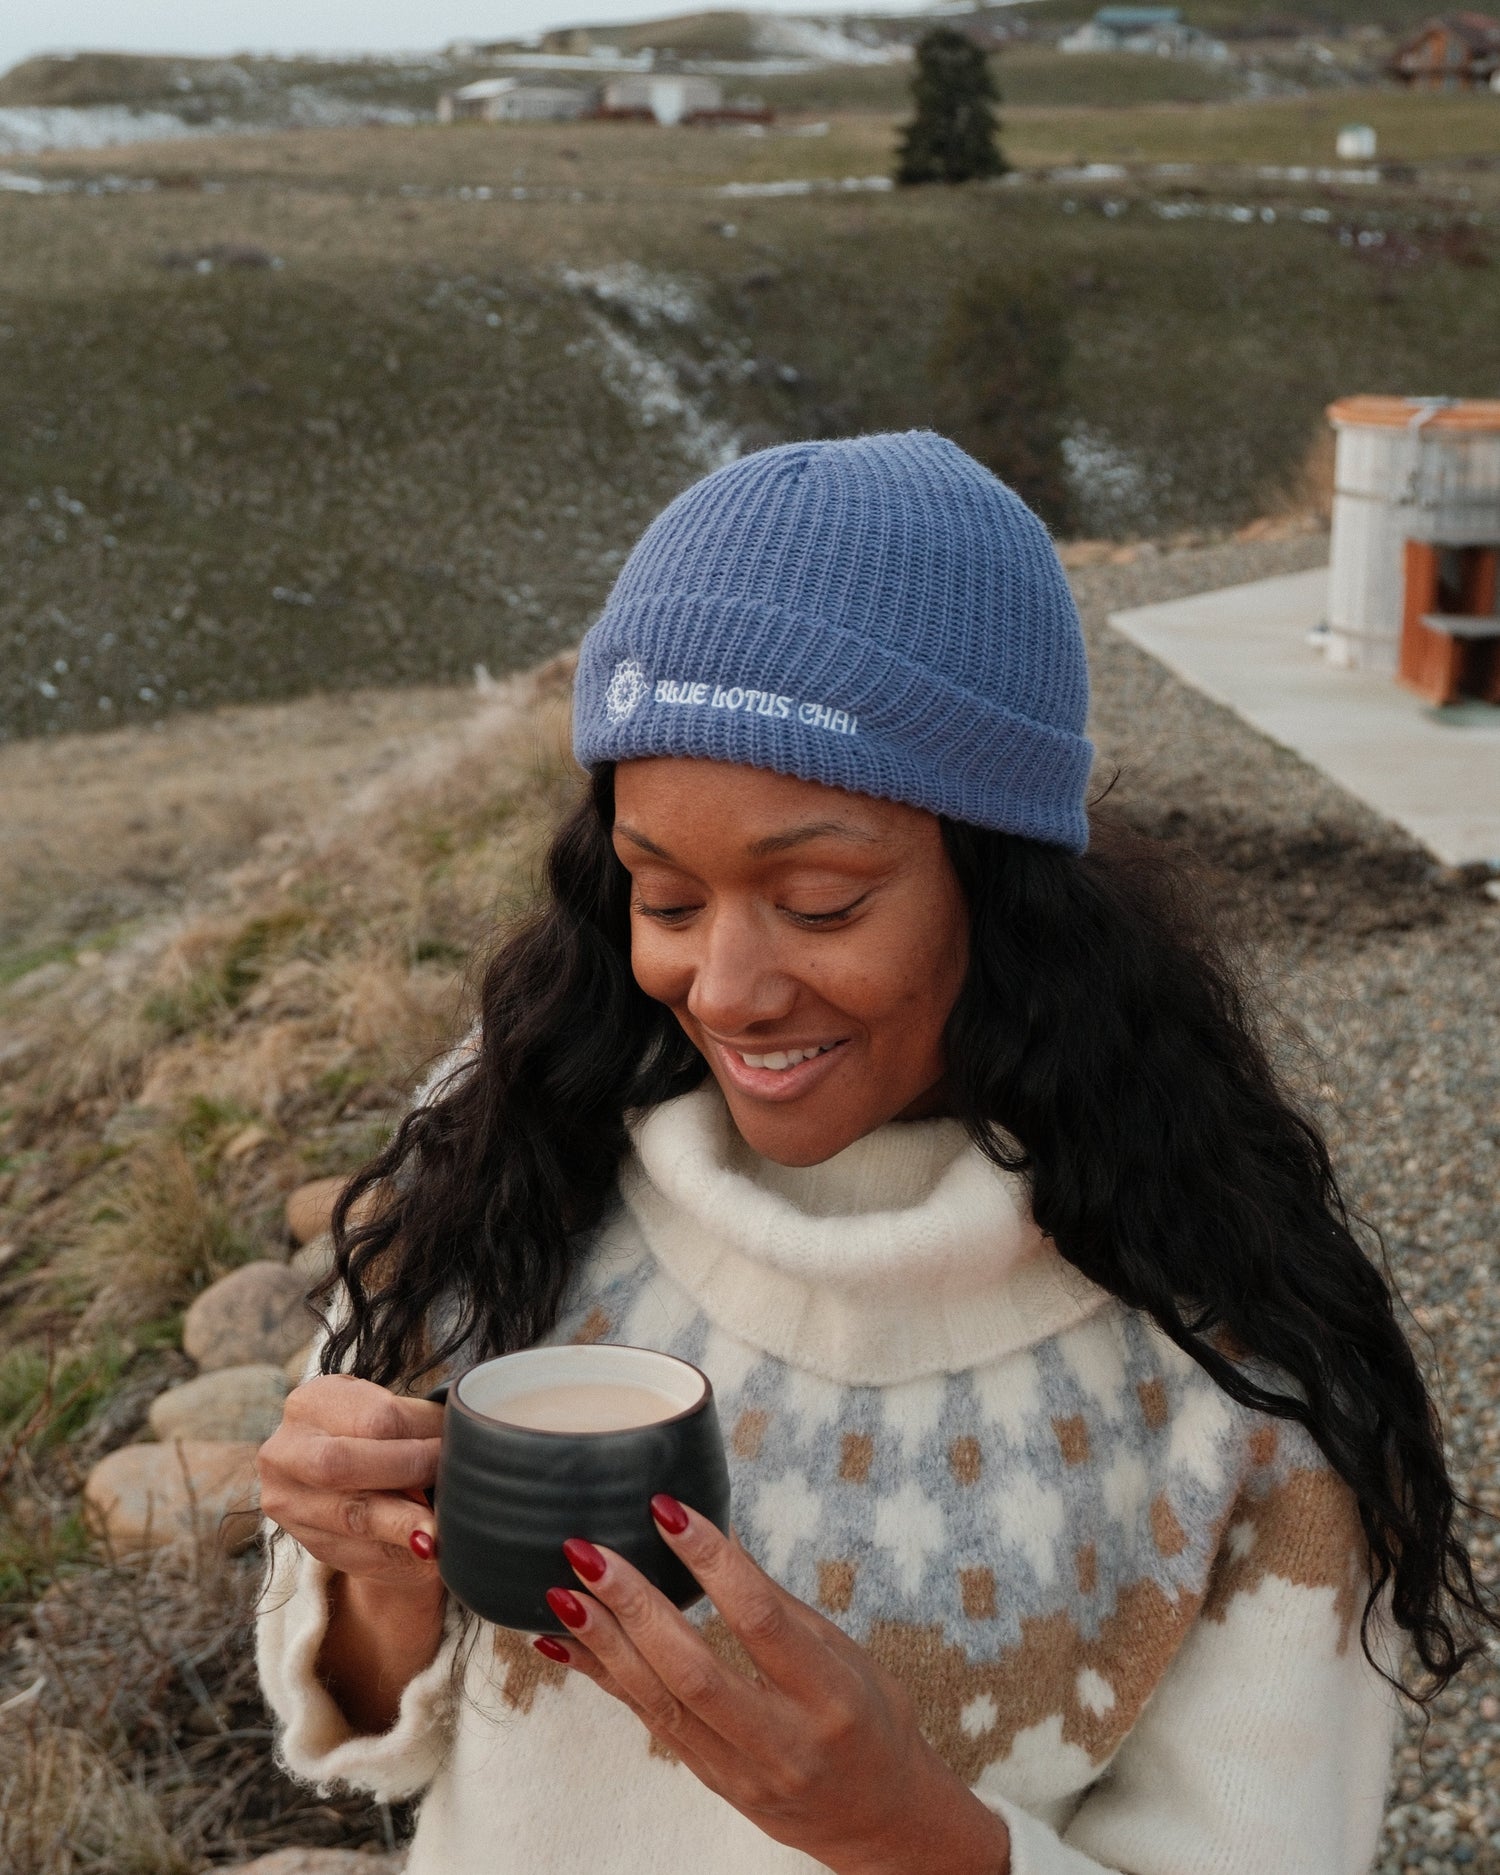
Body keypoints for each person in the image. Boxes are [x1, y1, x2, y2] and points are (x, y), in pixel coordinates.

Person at [256, 432, 1493, 1875]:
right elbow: (371, 1727)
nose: (725, 989)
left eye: (824, 900)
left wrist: (907, 1833)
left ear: (1010, 889)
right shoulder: (509, 1161)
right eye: (663, 896)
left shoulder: (1234, 1368)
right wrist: (370, 1589)